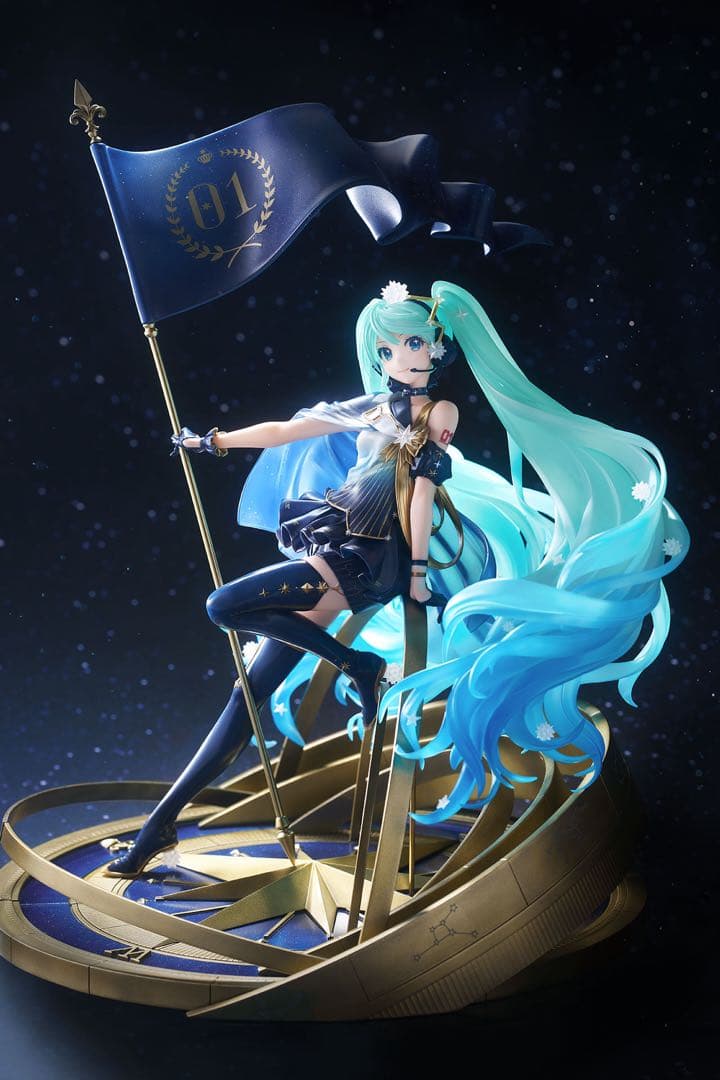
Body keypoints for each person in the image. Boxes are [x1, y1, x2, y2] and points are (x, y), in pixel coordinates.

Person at [105, 278, 688, 877]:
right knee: (245, 699)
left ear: (437, 346)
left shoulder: (439, 412)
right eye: (386, 349)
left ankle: (356, 665)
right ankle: (160, 826)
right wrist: (212, 441)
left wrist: (415, 571)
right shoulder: (371, 406)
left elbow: (423, 495)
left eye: (412, 343)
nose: (399, 357)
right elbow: (288, 429)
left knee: (223, 606)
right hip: (337, 543)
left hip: (371, 559)